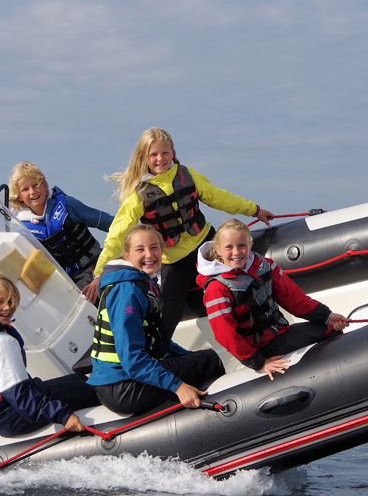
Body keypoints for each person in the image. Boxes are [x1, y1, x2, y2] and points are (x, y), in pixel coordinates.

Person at [84, 128, 274, 340]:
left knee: (242, 284)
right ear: (144, 158)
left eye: (165, 152)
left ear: (172, 152)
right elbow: (118, 233)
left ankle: (261, 329)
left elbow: (220, 198)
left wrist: (254, 210)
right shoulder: (137, 194)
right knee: (168, 315)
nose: (160, 159)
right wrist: (100, 273)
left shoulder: (187, 175)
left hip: (207, 248)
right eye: (154, 155)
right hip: (175, 261)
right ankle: (157, 354)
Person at [87, 225, 225, 415]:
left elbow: (158, 341)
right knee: (210, 360)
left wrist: (186, 357)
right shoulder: (127, 291)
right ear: (127, 255)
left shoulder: (141, 284)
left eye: (154, 247)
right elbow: (132, 358)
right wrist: (177, 386)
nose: (149, 254)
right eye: (140, 249)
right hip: (122, 386)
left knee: (198, 359)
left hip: (120, 379)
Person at [0, 273, 99, 437]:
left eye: (11, 301)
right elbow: (19, 396)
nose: (8, 307)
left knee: (77, 379)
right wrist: (62, 415)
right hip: (13, 417)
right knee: (91, 391)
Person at [197, 219, 348, 379]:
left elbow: (292, 297)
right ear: (218, 250)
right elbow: (225, 334)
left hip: (281, 333)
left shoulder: (264, 265)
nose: (236, 252)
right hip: (260, 350)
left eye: (242, 245)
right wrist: (259, 363)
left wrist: (326, 316)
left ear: (250, 246)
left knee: (332, 330)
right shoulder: (217, 288)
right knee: (329, 335)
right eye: (229, 247)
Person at [8, 162, 114, 290]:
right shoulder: (21, 228)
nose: (32, 191)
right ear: (18, 197)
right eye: (25, 189)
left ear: (45, 185)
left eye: (36, 185)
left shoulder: (67, 205)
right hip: (64, 283)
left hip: (94, 266)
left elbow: (108, 222)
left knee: (88, 295)